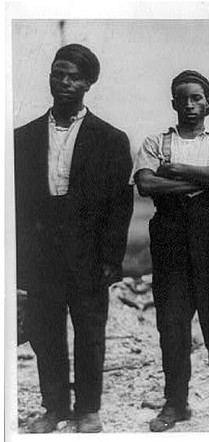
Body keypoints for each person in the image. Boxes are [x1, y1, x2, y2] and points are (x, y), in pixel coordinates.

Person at [14, 43, 134, 433]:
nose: (64, 83)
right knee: (45, 331)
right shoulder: (22, 138)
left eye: (74, 77)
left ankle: (87, 409)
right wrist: (18, 261)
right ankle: (53, 408)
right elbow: (14, 206)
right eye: (58, 74)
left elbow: (120, 204)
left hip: (88, 249)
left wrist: (111, 259)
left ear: (88, 83)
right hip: (41, 250)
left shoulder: (111, 139)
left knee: (89, 330)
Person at [133, 70, 209, 431]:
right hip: (170, 233)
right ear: (173, 104)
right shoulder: (156, 142)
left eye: (196, 98)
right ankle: (175, 403)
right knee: (172, 321)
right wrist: (204, 178)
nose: (189, 105)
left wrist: (180, 171)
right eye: (182, 99)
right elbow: (146, 184)